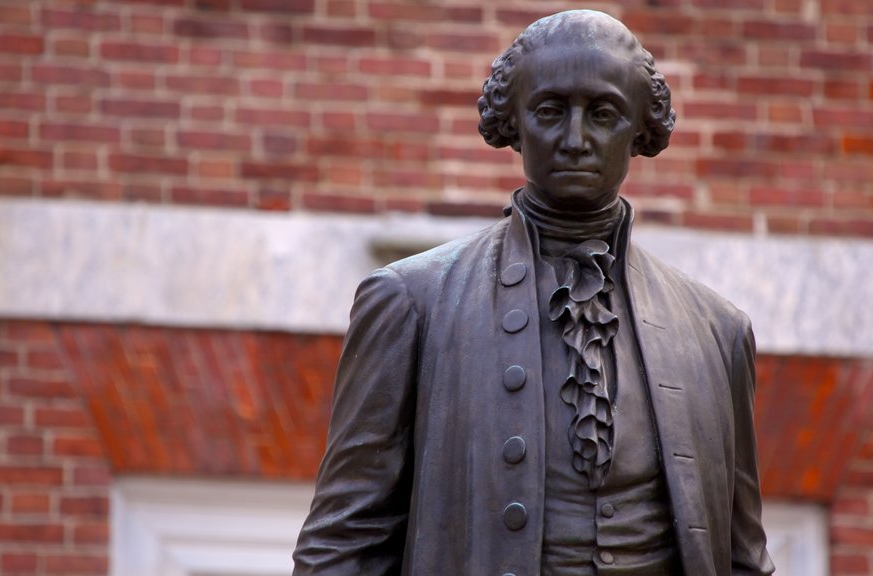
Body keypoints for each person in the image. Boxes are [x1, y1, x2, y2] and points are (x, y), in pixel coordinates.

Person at [293, 10, 774, 576]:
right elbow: (344, 544)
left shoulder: (717, 332)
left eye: (603, 114)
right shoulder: (411, 301)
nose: (575, 140)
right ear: (514, 122)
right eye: (550, 111)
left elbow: (744, 558)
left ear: (641, 130)